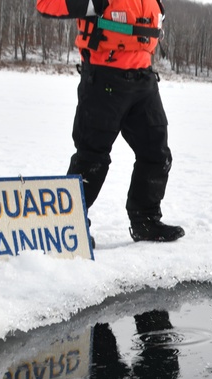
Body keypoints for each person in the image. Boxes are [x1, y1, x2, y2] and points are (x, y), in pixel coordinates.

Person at [35, 0, 184, 243]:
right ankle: (69, 227)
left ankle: (146, 222)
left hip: (144, 81)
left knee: (157, 155)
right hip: (103, 80)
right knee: (91, 157)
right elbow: (46, 5)